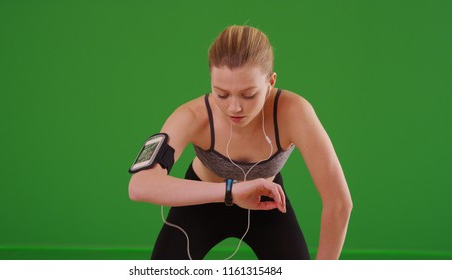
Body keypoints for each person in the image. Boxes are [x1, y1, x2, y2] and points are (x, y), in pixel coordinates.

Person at [128, 25, 352, 260]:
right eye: (222, 94)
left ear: (271, 82)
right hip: (201, 205)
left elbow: (339, 203)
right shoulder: (192, 116)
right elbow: (139, 185)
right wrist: (230, 191)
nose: (234, 107)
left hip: (267, 206)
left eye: (248, 94)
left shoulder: (294, 113)